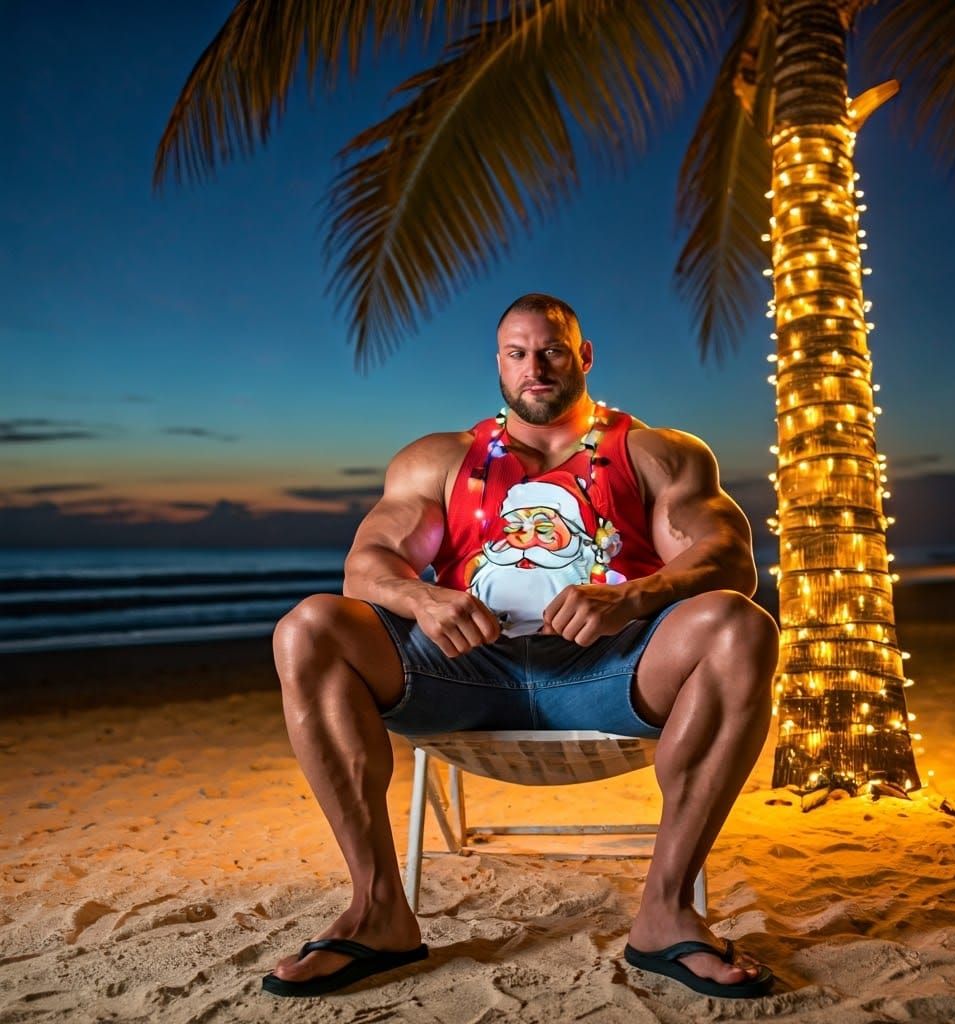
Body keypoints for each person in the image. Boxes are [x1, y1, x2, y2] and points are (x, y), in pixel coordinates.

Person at [264, 294, 780, 1000]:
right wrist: (422, 599)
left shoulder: (658, 453)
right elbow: (368, 563)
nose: (534, 366)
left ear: (584, 356)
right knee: (309, 627)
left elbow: (729, 559)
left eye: (552, 350)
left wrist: (633, 596)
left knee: (740, 624)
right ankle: (378, 910)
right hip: (461, 673)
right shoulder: (440, 459)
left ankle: (666, 912)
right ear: (499, 364)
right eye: (517, 353)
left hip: (612, 670)